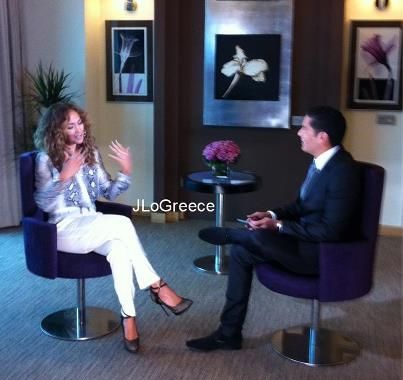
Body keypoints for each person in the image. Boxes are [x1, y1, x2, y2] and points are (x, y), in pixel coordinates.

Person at [186, 105, 361, 352]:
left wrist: (277, 226)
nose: (299, 132)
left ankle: (234, 235)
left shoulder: (343, 172)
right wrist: (271, 214)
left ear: (322, 136)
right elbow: (301, 206)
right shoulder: (321, 163)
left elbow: (331, 232)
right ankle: (228, 334)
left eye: (304, 128)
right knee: (241, 252)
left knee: (255, 237)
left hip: (321, 255)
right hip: (302, 242)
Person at [33, 102, 192, 354]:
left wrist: (125, 171)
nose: (78, 129)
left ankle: (129, 318)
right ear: (57, 131)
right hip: (62, 229)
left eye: (79, 123)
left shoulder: (91, 154)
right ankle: (157, 286)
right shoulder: (45, 159)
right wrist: (64, 176)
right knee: (122, 223)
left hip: (92, 222)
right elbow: (43, 203)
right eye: (70, 126)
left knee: (119, 250)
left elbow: (108, 191)